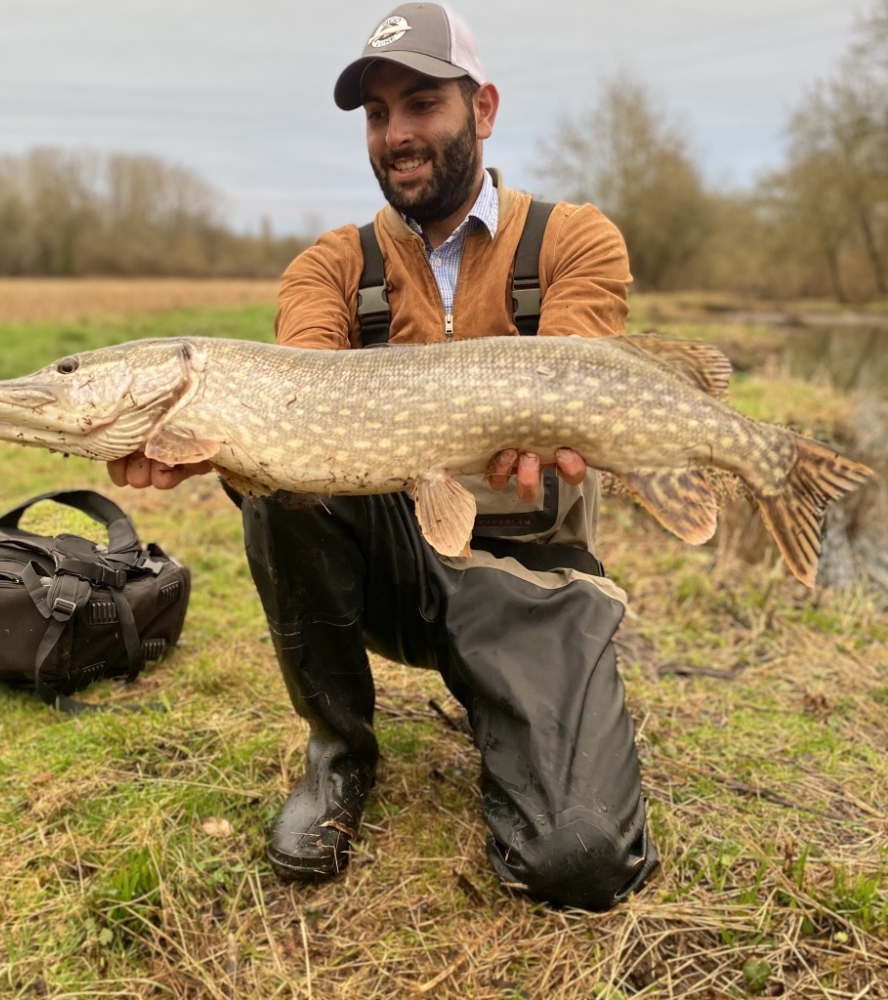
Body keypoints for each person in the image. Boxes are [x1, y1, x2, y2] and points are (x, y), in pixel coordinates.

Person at [109, 3, 659, 911]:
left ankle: (517, 717)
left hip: (530, 575)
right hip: (393, 569)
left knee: (582, 859)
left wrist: (540, 428)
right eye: (376, 114)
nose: (396, 134)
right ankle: (338, 752)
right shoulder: (328, 268)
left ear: (481, 108)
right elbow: (296, 410)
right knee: (283, 488)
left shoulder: (573, 240)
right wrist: (212, 446)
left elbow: (579, 373)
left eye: (420, 105)